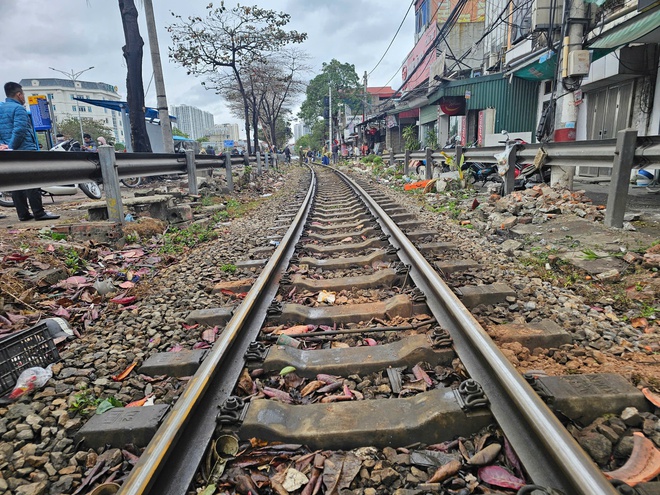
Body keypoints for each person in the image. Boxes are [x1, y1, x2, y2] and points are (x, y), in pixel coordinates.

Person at [0, 82, 59, 221]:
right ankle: (39, 212)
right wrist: (11, 146)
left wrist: (4, 146)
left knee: (15, 183)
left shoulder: (1, 109)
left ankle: (23, 214)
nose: (24, 97)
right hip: (24, 150)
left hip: (8, 153)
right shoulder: (19, 109)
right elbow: (19, 130)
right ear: (19, 94)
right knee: (32, 181)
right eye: (24, 95)